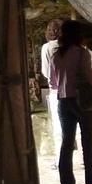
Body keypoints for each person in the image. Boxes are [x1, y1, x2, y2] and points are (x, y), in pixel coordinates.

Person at [48, 20, 92, 184]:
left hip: (63, 100)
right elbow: (90, 78)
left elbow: (52, 82)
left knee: (67, 143)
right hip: (82, 101)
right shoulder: (82, 53)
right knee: (87, 143)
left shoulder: (55, 54)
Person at [39, 20, 64, 170]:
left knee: (58, 128)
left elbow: (45, 71)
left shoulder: (47, 47)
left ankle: (61, 160)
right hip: (74, 90)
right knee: (78, 128)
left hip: (56, 91)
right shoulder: (72, 46)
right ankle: (83, 159)